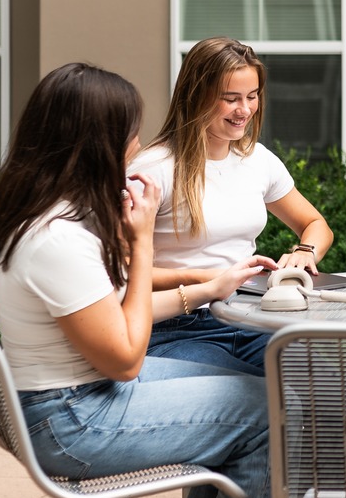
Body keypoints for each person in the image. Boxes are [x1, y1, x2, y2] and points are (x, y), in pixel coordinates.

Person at [0, 62, 311, 498]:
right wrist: (144, 237)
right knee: (271, 410)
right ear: (93, 140)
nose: (137, 143)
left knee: (254, 391)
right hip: (76, 420)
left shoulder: (41, 219)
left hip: (68, 402)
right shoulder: (58, 241)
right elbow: (125, 357)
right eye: (127, 131)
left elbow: (105, 321)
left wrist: (204, 290)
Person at [130, 36, 334, 374]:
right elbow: (120, 272)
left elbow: (315, 225)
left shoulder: (258, 160)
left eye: (252, 97)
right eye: (231, 99)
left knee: (345, 402)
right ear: (196, 96)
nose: (245, 110)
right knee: (271, 400)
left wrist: (306, 251)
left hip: (248, 317)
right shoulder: (153, 169)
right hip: (174, 327)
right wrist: (210, 279)